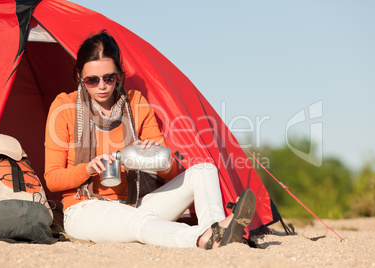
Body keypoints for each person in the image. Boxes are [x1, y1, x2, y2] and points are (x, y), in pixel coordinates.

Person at [44, 30, 255, 249]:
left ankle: (216, 230)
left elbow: (170, 171)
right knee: (140, 223)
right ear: (79, 75)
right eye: (92, 80)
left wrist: (152, 155)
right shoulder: (64, 106)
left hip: (133, 204)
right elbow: (52, 178)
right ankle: (202, 238)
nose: (102, 86)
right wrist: (87, 169)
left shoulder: (135, 102)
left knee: (204, 170)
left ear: (119, 74)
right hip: (83, 209)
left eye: (109, 78)